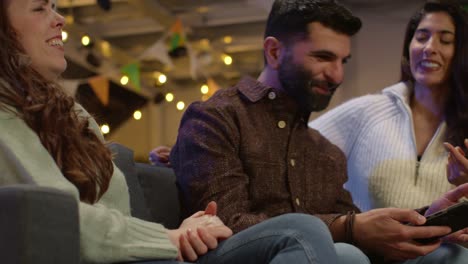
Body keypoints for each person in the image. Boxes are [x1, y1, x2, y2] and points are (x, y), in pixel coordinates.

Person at [0, 0, 353, 263]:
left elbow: (114, 216)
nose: (60, 18)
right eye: (39, 8)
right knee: (305, 232)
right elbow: (59, 220)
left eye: (56, 6)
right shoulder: (218, 116)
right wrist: (168, 236)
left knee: (351, 255)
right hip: (145, 252)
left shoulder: (72, 113)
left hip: (143, 252)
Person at [169, 0, 468, 263]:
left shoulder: (325, 151)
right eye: (323, 57)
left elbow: (358, 226)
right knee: (339, 250)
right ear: (274, 52)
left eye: (343, 61)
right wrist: (345, 228)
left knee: (449, 254)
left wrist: (426, 219)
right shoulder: (217, 118)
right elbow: (224, 224)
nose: (337, 75)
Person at [309, 0, 468, 211]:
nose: (430, 47)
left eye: (445, 40)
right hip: (364, 245)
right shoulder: (366, 112)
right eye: (421, 37)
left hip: (452, 245)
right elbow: (296, 148)